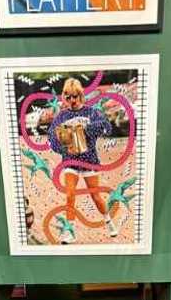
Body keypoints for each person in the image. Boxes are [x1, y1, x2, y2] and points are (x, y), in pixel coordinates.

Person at [41, 78, 117, 243]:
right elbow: (52, 139)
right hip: (70, 163)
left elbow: (107, 127)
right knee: (69, 195)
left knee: (96, 196)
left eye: (75, 96)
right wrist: (63, 148)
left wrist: (86, 129)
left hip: (89, 161)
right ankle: (69, 232)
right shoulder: (61, 116)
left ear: (81, 95)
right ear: (64, 98)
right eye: (68, 97)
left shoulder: (91, 112)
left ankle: (109, 221)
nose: (72, 100)